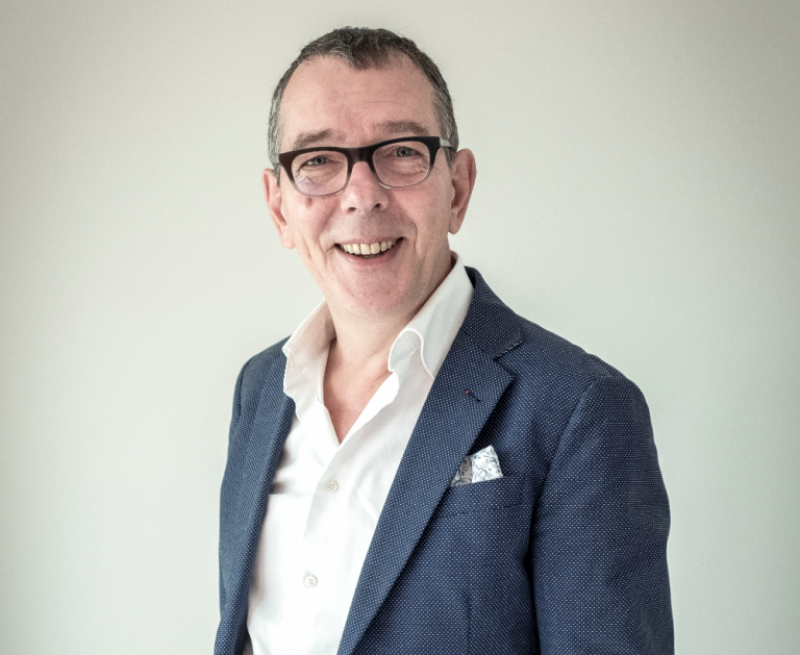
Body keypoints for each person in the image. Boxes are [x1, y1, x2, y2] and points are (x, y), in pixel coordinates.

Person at [215, 27, 673, 655]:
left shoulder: (579, 408)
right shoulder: (261, 389)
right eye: (318, 160)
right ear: (279, 207)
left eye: (401, 152)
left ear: (457, 188)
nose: (362, 196)